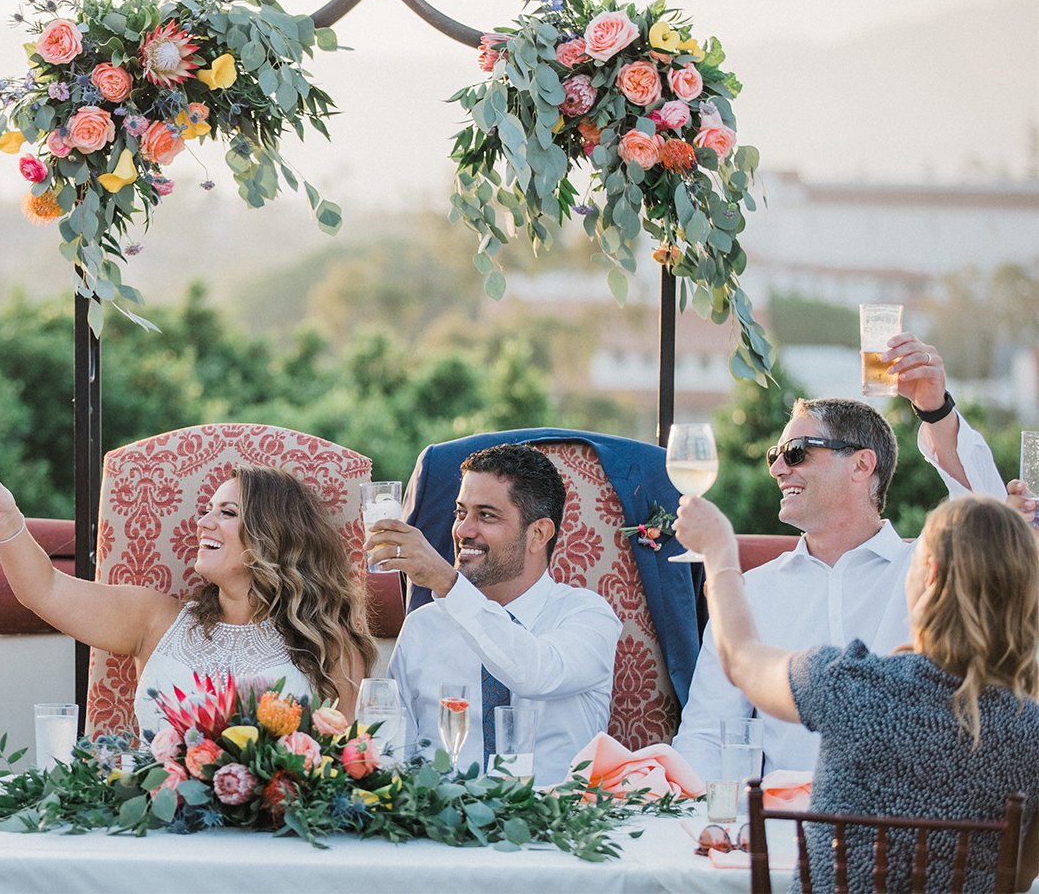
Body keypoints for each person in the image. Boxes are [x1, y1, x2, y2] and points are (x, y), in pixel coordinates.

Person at [672, 334, 1006, 778]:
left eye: (796, 452)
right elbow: (705, 736)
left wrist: (936, 409)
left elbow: (996, 526)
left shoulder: (929, 572)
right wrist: (713, 831)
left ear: (861, 465)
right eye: (776, 455)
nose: (776, 468)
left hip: (905, 827)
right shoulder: (750, 590)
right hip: (778, 828)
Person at [675, 493, 1039, 893]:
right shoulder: (1032, 729)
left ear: (930, 576)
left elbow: (741, 660)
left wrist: (720, 554)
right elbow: (1019, 877)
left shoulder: (849, 685)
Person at [0, 465, 377, 736]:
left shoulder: (329, 645)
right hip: (155, 828)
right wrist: (7, 519)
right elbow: (45, 590)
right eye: (207, 510)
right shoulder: (155, 619)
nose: (203, 523)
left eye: (227, 513)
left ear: (274, 535)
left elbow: (349, 763)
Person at [368, 443, 622, 784]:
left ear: (538, 534)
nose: (463, 531)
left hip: (557, 831)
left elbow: (534, 674)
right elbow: (394, 756)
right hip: (438, 831)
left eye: (486, 515)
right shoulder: (423, 628)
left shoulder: (587, 616)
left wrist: (447, 582)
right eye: (461, 513)